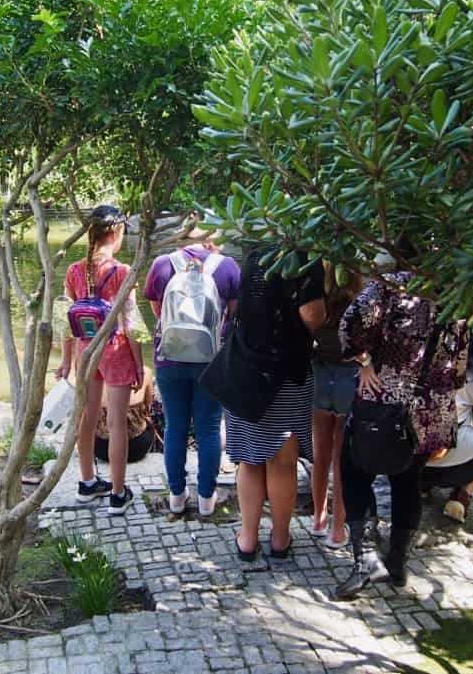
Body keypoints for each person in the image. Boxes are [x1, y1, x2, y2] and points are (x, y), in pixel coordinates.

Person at [335, 266, 468, 599]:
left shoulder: (392, 284)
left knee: (354, 471)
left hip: (384, 396)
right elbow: (460, 360)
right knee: (409, 481)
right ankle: (397, 564)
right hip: (430, 407)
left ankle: (366, 560)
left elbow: (350, 324)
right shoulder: (458, 284)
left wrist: (362, 359)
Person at [222, 248, 325, 560]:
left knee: (250, 459)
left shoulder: (253, 254)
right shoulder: (306, 258)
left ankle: (247, 539)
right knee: (282, 460)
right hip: (287, 372)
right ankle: (280, 538)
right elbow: (311, 315)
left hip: (244, 366)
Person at [56, 205, 144, 516]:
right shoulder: (121, 272)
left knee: (87, 419)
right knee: (117, 423)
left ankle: (88, 483)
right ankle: (118, 494)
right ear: (117, 232)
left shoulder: (73, 271)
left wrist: (66, 361)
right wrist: (138, 364)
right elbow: (131, 323)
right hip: (116, 351)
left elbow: (64, 319)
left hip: (85, 350)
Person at [145, 230, 240, 516]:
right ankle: (206, 500)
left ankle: (176, 495)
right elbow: (231, 314)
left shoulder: (162, 264)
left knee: (175, 426)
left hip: (169, 359)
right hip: (211, 361)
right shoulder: (227, 266)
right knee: (209, 428)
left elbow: (157, 311)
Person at [309, 263, 365, 549]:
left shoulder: (318, 297)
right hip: (349, 377)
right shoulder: (361, 299)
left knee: (321, 454)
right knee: (342, 459)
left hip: (320, 374)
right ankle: (338, 529)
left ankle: (318, 518)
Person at [422, 335, 473, 522]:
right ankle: (463, 494)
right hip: (455, 464)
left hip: (410, 463)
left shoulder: (415, 362)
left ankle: (421, 488)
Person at [94, 365, 156, 464]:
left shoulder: (94, 374)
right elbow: (147, 406)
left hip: (101, 449)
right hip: (137, 448)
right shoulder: (145, 372)